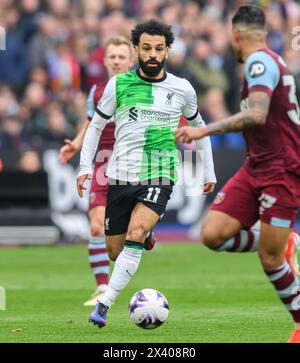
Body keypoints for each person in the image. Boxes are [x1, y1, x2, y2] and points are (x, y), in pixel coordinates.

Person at [77, 19, 217, 328]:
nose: (152, 54)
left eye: (158, 48)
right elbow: (96, 126)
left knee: (135, 234)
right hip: (120, 175)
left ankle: (104, 304)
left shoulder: (182, 88)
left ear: (167, 50)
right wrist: (85, 166)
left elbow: (200, 129)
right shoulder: (118, 85)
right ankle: (145, 237)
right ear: (136, 50)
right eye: (146, 48)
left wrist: (209, 170)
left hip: (159, 174)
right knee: (115, 250)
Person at [175, 5, 300, 343]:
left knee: (270, 260)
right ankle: (284, 240)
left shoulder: (260, 63)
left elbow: (257, 115)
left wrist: (204, 131)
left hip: (281, 168)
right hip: (256, 164)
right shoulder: (268, 62)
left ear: (236, 34)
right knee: (213, 234)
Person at [59, 36, 136, 306]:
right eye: (111, 56)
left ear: (131, 60)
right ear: (104, 61)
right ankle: (102, 288)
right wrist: (76, 144)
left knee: (131, 232)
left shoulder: (142, 88)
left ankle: (141, 239)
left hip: (133, 165)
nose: (116, 61)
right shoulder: (97, 91)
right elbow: (90, 123)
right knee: (95, 226)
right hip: (103, 165)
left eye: (121, 57)